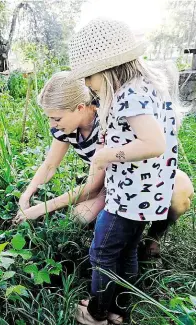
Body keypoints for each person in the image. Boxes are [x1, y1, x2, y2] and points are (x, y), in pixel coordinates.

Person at [64, 19, 184, 325]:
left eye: (88, 77)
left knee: (101, 255)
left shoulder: (128, 96)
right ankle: (119, 310)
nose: (88, 85)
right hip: (148, 195)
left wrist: (105, 155)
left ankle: (96, 313)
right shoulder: (147, 88)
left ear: (105, 70)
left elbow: (153, 142)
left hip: (128, 199)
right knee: (127, 252)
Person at [13, 70, 193, 247]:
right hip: (111, 181)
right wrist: (26, 196)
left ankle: (153, 241)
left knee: (180, 193)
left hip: (142, 174)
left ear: (80, 108)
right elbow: (50, 165)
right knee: (81, 216)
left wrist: (42, 208)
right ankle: (120, 233)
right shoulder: (66, 128)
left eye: (56, 118)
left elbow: (93, 186)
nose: (53, 125)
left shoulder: (106, 119)